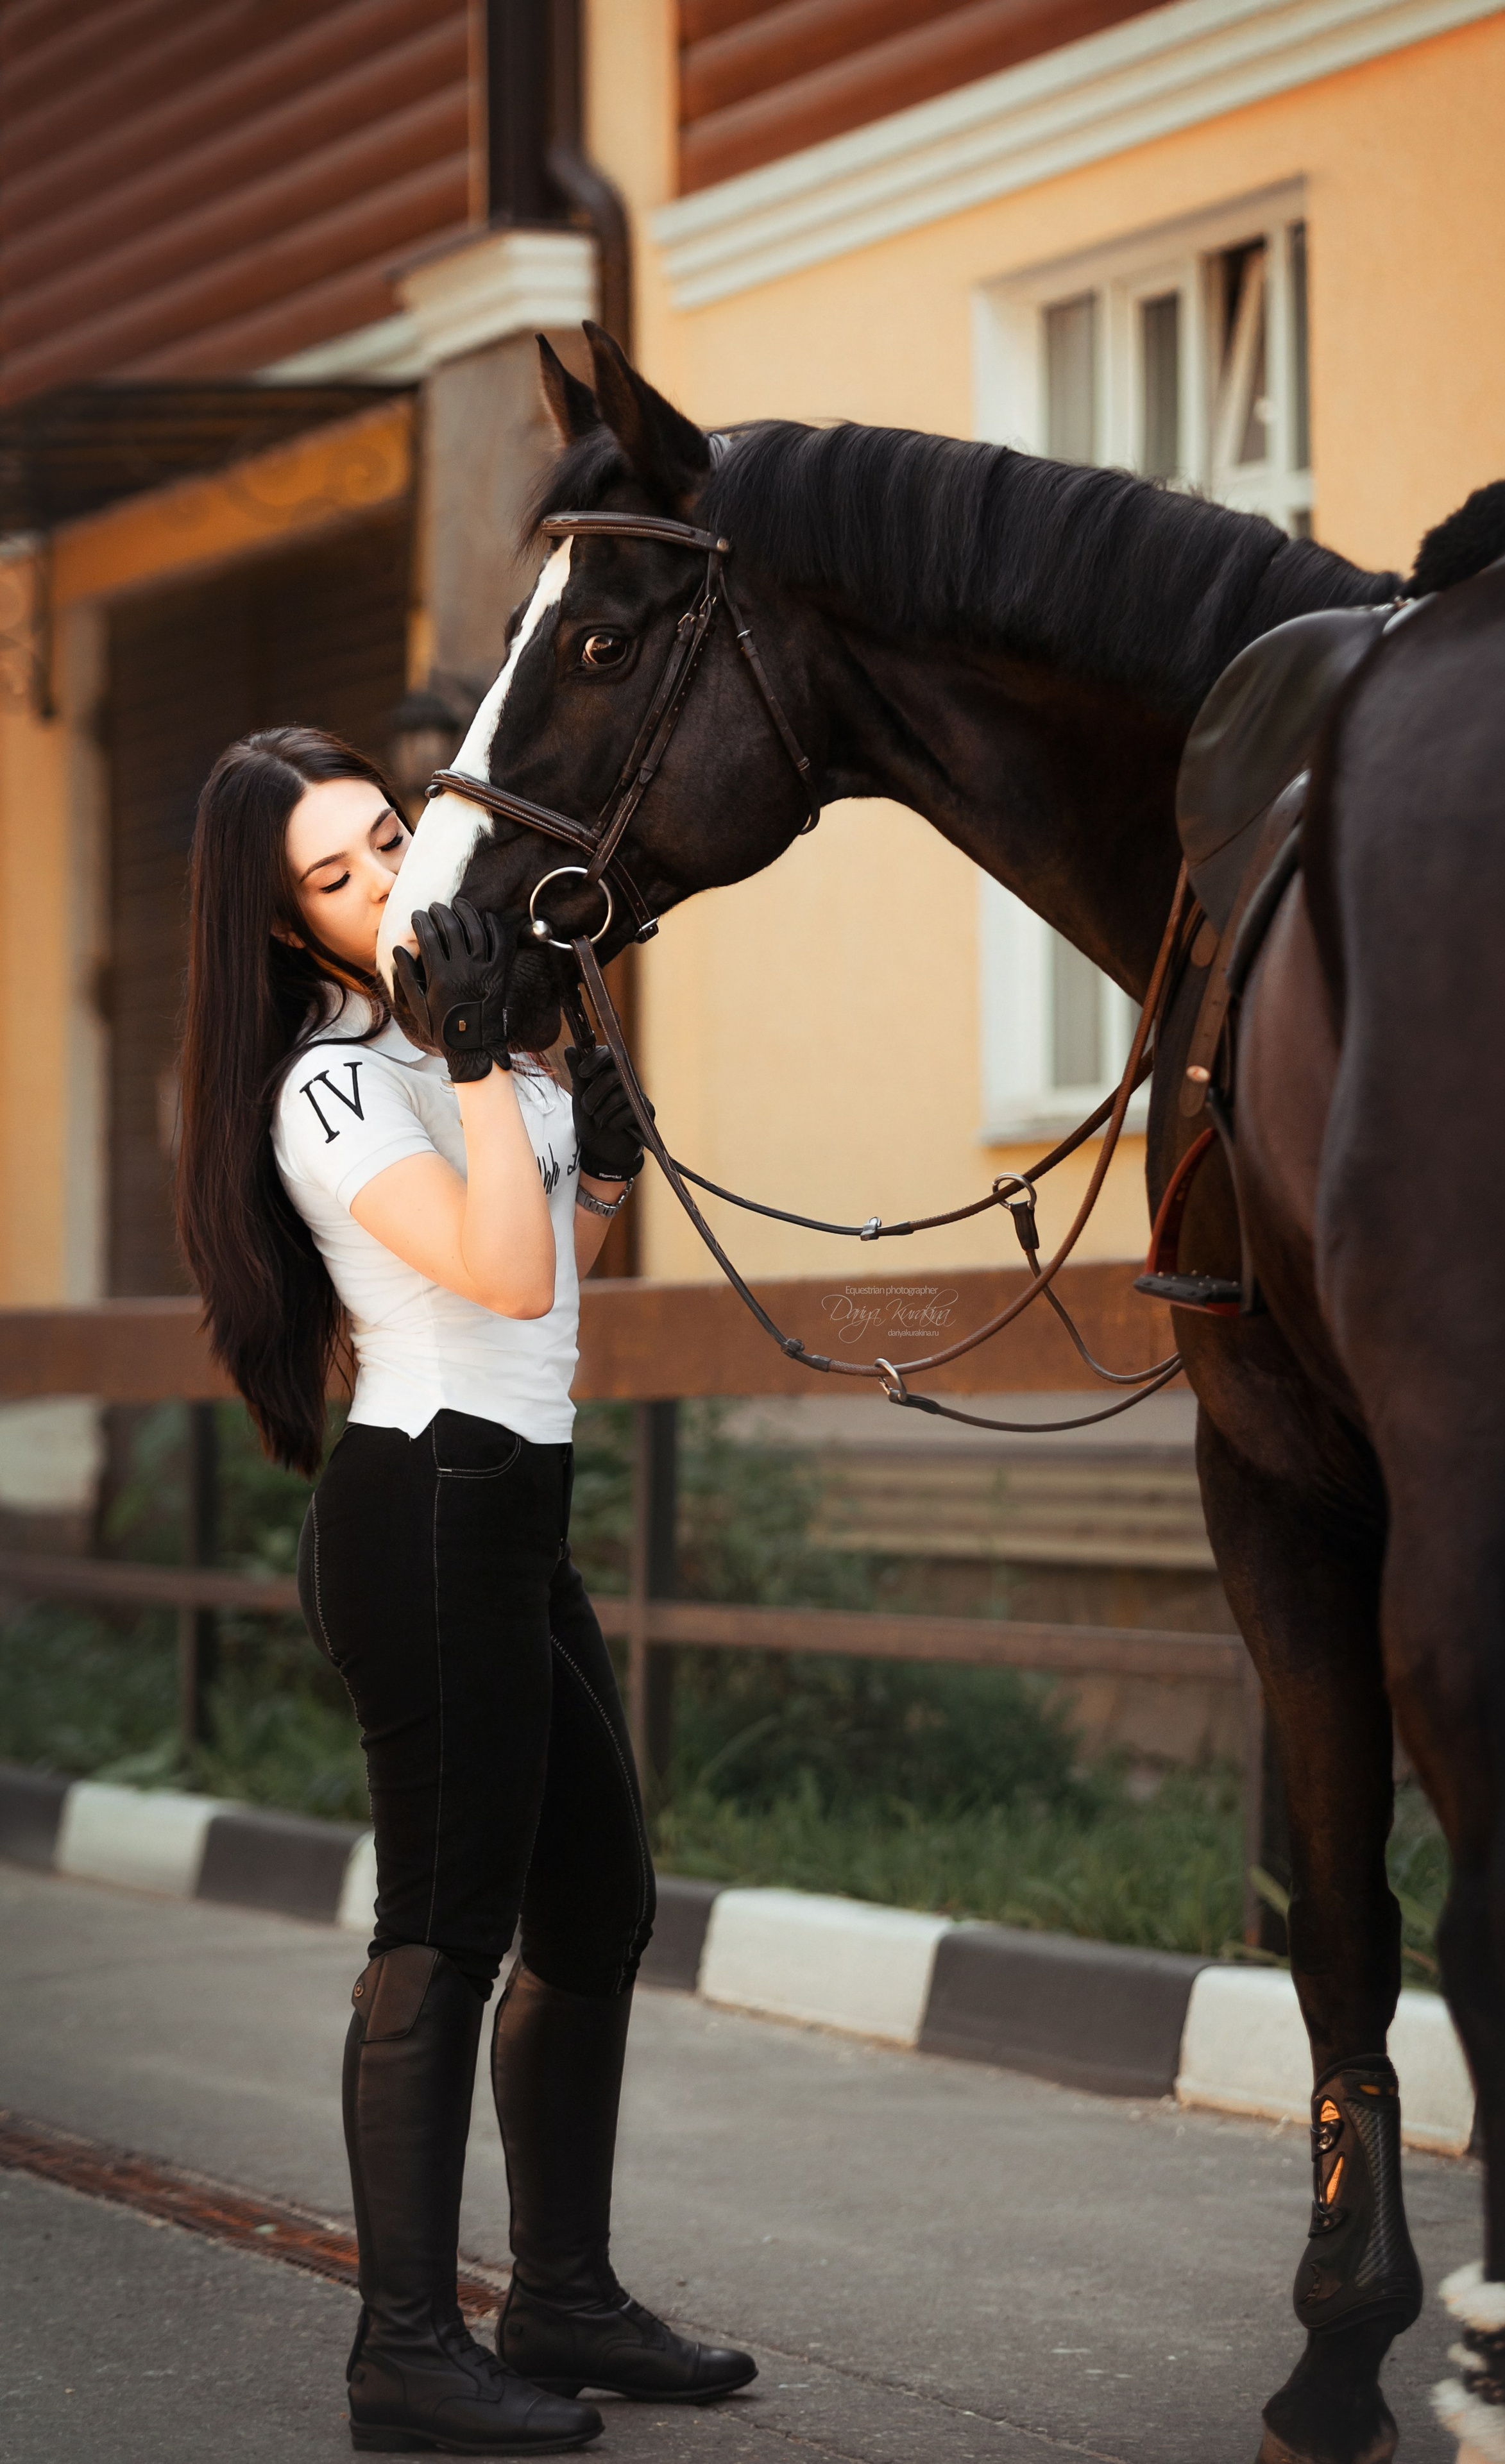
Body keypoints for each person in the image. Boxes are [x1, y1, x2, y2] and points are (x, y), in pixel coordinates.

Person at [175, 726, 754, 2456]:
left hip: (512, 1508)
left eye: (386, 835)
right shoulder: (332, 1087)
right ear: (284, 924)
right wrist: (494, 1062)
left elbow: (551, 1268)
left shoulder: (446, 1032)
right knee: (442, 1923)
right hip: (424, 1510)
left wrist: (603, 1150)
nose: (381, 880)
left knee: (600, 1902)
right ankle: (404, 2348)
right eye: (331, 874)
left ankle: (560, 2295)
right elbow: (496, 1276)